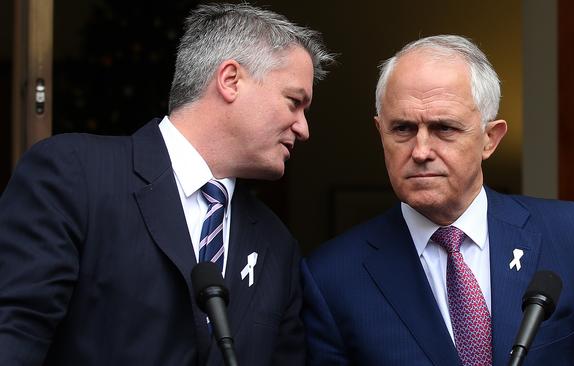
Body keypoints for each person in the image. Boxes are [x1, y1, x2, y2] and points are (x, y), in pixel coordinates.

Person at [0, 3, 333, 365]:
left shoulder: (277, 245)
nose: (304, 128)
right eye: (294, 102)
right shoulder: (74, 175)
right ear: (231, 80)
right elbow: (16, 333)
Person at [301, 35, 574, 365]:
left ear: (490, 139)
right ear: (380, 132)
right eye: (403, 129)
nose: (421, 151)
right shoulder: (331, 276)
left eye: (445, 128)